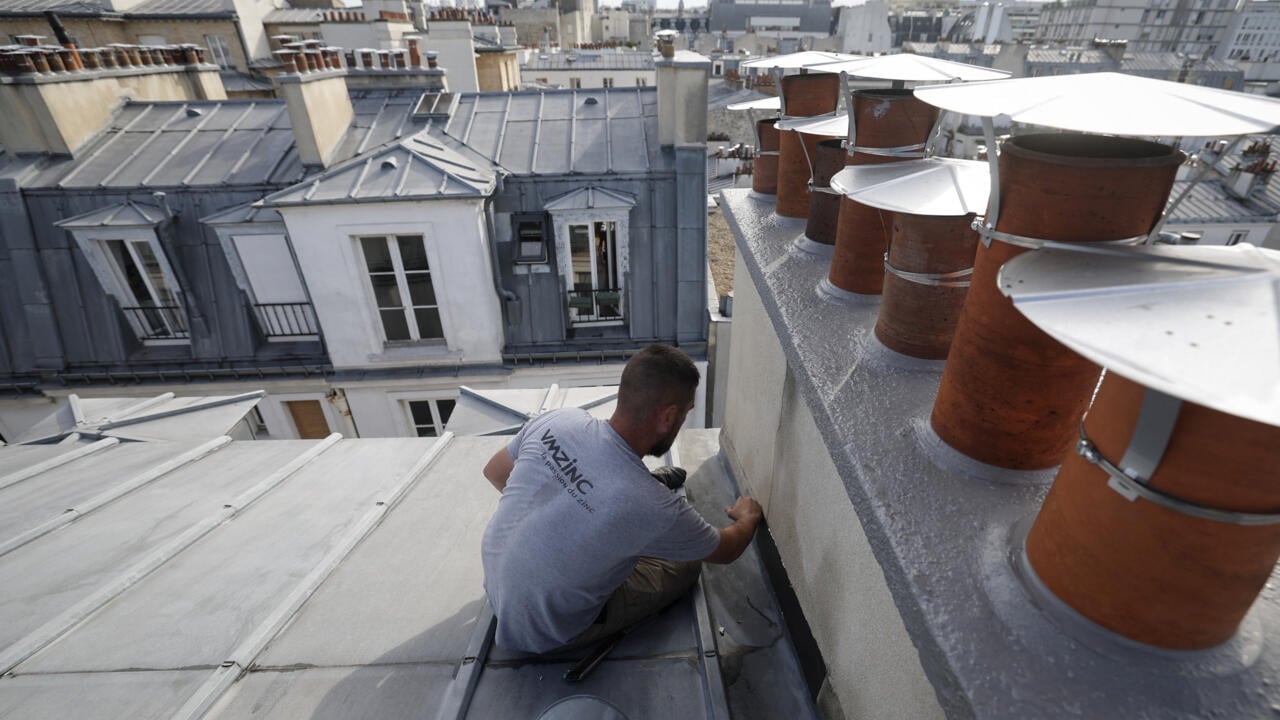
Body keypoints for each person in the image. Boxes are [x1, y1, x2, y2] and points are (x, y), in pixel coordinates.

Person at [480, 344, 764, 654]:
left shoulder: (559, 420)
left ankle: (625, 516)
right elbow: (726, 549)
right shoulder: (652, 506)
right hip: (545, 629)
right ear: (669, 416)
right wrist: (747, 517)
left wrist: (567, 508)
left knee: (618, 515)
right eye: (685, 412)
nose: (683, 420)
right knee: (686, 566)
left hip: (495, 584)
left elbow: (495, 472)